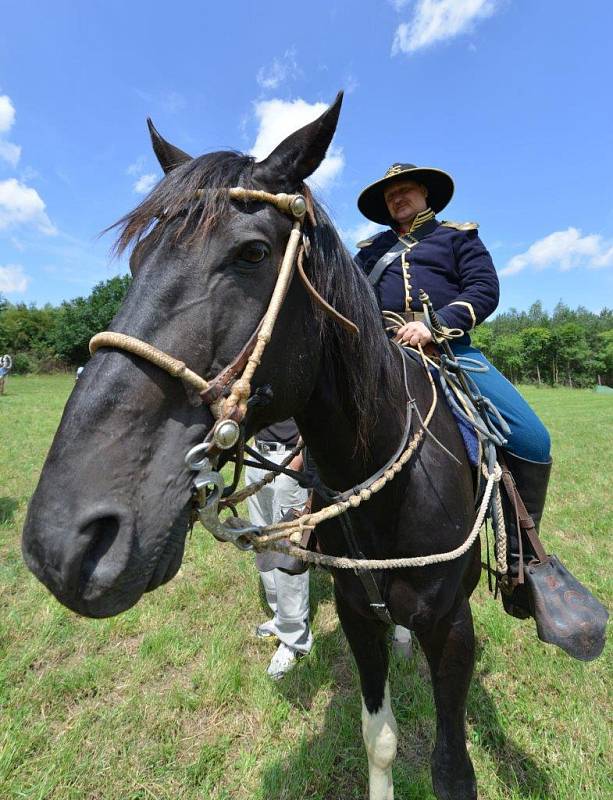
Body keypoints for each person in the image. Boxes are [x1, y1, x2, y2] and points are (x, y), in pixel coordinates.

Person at [353, 163, 604, 652]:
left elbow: (484, 290)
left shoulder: (457, 237)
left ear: (425, 193)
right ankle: (308, 535)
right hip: (381, 355)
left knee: (534, 438)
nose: (396, 199)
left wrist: (436, 325)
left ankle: (521, 563)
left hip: (450, 351)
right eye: (389, 196)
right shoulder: (369, 252)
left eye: (404, 191)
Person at [245, 419, 313, 679]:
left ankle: (295, 638)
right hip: (258, 455)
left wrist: (295, 463)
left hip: (288, 460)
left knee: (286, 551)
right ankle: (280, 616)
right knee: (262, 541)